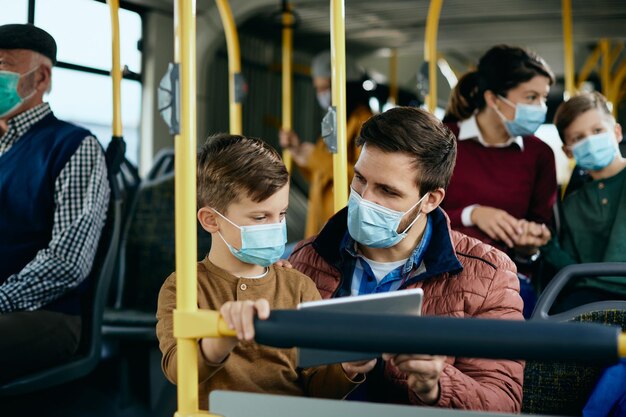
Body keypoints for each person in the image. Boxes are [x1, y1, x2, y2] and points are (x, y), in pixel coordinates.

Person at [289, 107, 524, 411]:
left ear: (431, 200)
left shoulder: (489, 276)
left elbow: (504, 403)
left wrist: (438, 384)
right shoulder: (305, 259)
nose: (364, 199)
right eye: (359, 179)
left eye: (388, 191)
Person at [156, 134, 371, 410]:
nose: (276, 226)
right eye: (260, 217)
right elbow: (177, 370)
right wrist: (222, 335)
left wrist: (347, 369)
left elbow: (318, 385)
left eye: (281, 214)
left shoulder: (299, 287)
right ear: (211, 220)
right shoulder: (183, 287)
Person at [0, 24, 110, 383]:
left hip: (45, 313)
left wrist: (1, 299)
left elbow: (67, 262)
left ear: (41, 77)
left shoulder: (73, 146)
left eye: (1, 67)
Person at [441, 45, 557, 265]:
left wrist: (530, 243)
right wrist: (471, 215)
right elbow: (413, 214)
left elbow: (541, 226)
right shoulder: (440, 140)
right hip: (441, 268)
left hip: (509, 275)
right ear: (493, 99)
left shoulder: (541, 154)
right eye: (531, 97)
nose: (540, 108)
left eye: (543, 98)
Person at [532, 92, 626, 311]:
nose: (590, 141)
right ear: (568, 152)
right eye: (578, 138)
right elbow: (571, 268)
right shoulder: (571, 204)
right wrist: (547, 245)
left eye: (597, 131)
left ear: (617, 132)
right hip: (591, 296)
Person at [280, 50, 373, 238]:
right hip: (323, 224)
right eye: (318, 89)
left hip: (344, 226)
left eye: (324, 88)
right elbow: (320, 177)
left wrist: (315, 157)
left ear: (344, 86)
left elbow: (365, 181)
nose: (321, 95)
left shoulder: (364, 123)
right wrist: (299, 153)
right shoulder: (337, 121)